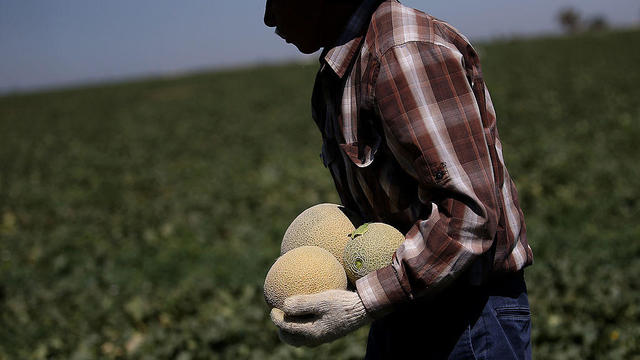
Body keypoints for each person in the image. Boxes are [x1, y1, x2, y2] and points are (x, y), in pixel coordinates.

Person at [264, 0, 534, 358]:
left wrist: (362, 302)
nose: (268, 18)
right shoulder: (341, 71)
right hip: (404, 308)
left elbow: (468, 215)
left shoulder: (402, 53)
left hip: (467, 318)